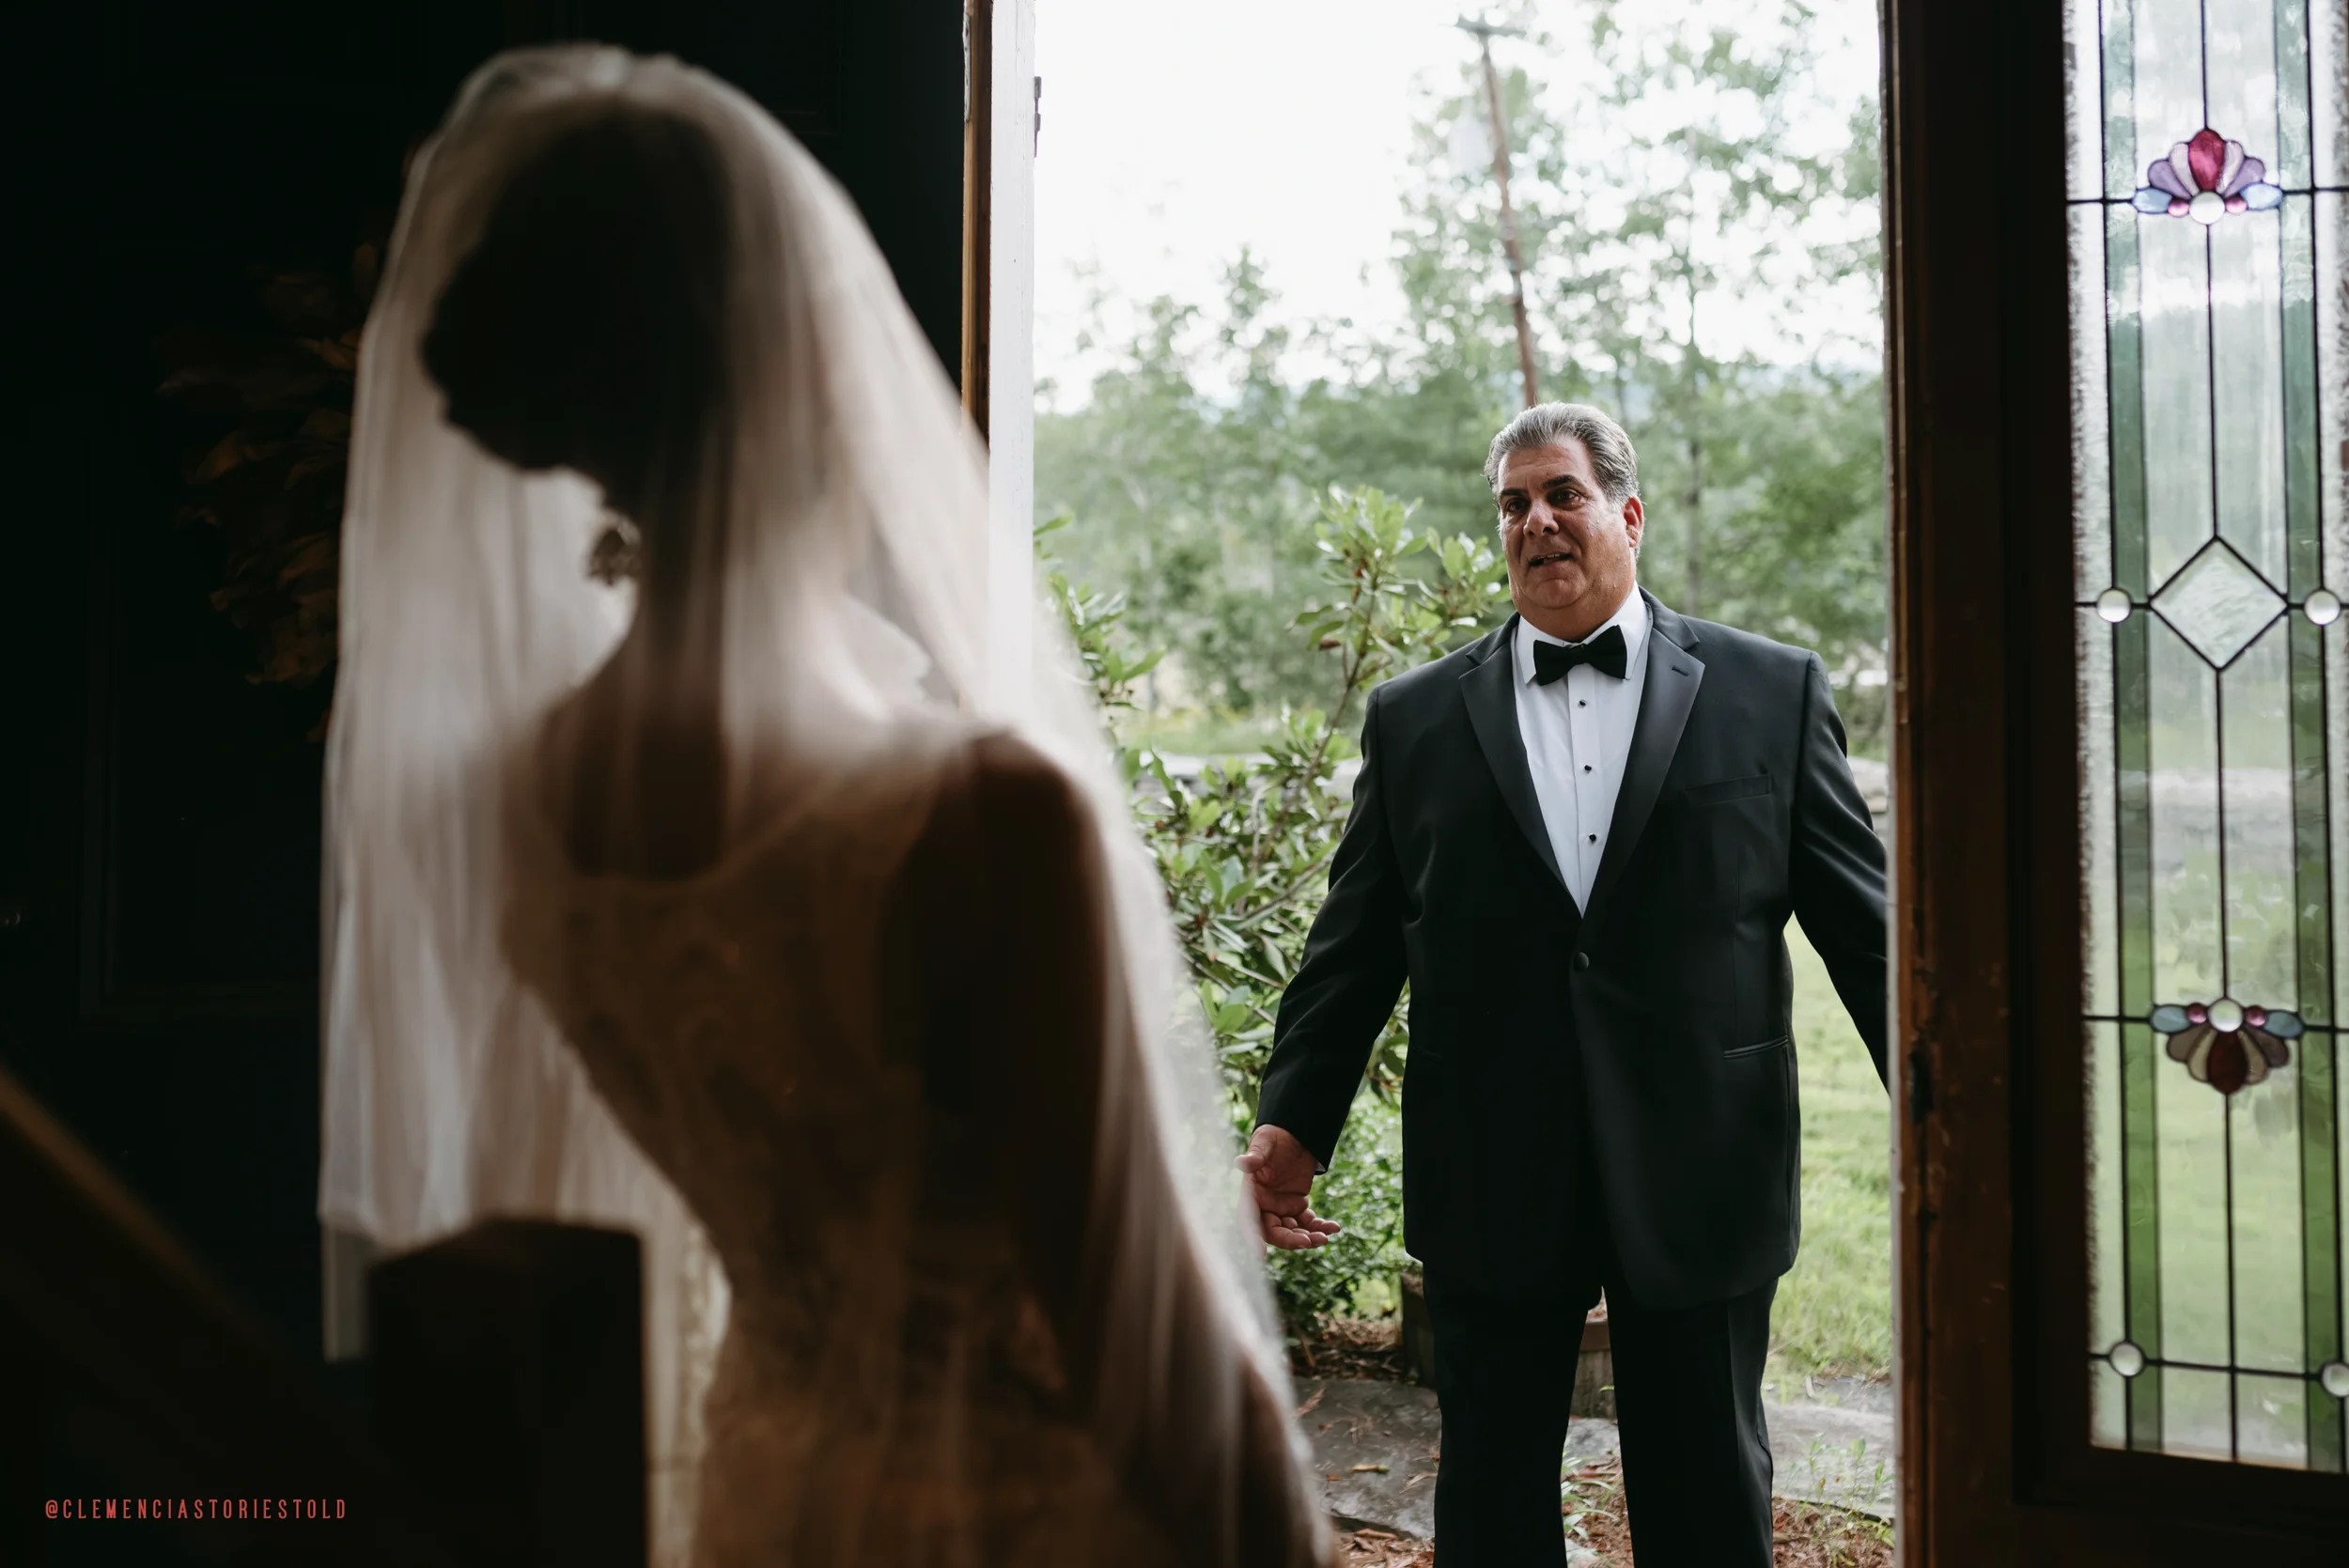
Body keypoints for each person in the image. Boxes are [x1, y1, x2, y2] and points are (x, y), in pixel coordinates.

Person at [318, 46, 1326, 1568]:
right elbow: (1142, 1344)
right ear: (804, 372)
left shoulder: (520, 799)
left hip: (778, 1483)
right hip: (1042, 1511)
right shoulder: (982, 816)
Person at [1239, 403, 1889, 1567]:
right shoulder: (1413, 721)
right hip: (1494, 1163)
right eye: (1512, 503)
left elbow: (1866, 931)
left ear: (1627, 515)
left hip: (1704, 1162)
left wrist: (1953, 1122)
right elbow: (1352, 948)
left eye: (1562, 494)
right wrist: (1292, 1121)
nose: (1536, 520)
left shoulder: (1770, 693)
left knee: (1706, 1491)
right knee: (1488, 1494)